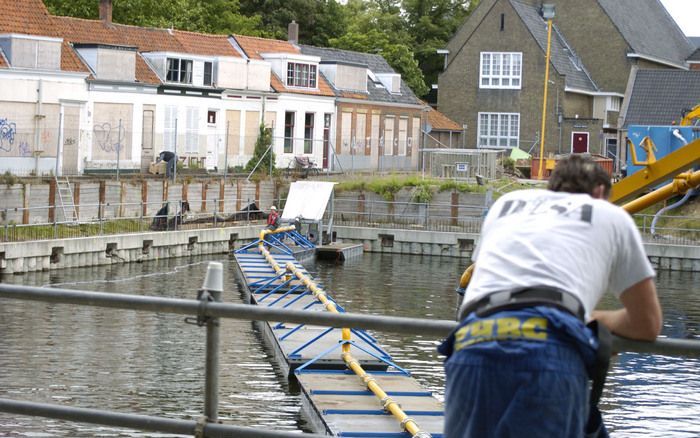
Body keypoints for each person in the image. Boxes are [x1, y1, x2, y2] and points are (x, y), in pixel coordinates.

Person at [439, 154, 662, 438]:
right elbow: (647, 323)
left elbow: (495, 279)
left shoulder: (506, 205)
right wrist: (591, 319)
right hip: (548, 350)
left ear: (551, 188)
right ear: (599, 193)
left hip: (473, 342)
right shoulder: (609, 214)